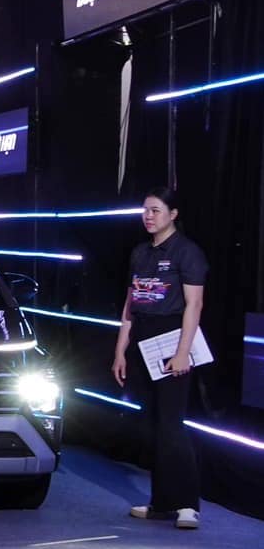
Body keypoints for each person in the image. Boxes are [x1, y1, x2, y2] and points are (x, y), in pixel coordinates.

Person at [110, 187, 208, 530]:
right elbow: (130, 305)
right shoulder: (140, 253)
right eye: (145, 210)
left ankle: (187, 504)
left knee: (171, 425)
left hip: (172, 339)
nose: (148, 216)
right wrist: (120, 350)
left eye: (155, 210)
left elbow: (194, 305)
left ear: (173, 214)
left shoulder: (187, 252)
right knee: (152, 425)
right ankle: (162, 503)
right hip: (143, 340)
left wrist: (182, 352)